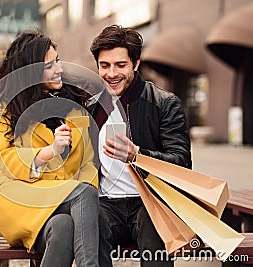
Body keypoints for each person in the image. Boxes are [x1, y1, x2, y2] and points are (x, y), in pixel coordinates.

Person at [0, 30, 99, 267]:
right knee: (83, 193)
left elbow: (88, 163)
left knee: (63, 226)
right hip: (20, 197)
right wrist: (50, 150)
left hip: (64, 197)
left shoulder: (75, 108)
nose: (58, 69)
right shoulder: (7, 109)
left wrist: (80, 188)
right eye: (49, 65)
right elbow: (6, 158)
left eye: (57, 61)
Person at [88, 25, 192, 266]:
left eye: (120, 65)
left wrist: (138, 155)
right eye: (105, 65)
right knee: (86, 222)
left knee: (156, 227)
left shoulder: (165, 104)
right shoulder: (90, 107)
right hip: (105, 204)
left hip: (149, 201)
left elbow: (182, 162)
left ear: (136, 64)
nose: (111, 73)